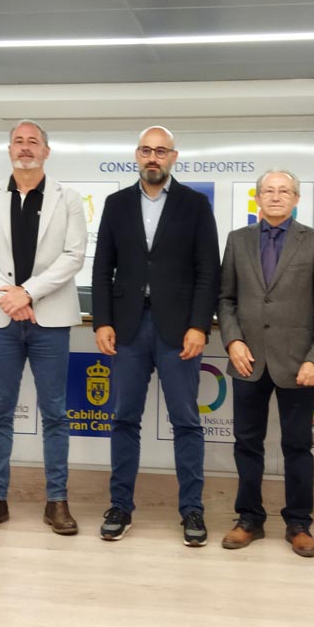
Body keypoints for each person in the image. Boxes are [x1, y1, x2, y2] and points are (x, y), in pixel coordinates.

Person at [92, 125, 220, 547]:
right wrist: (102, 321)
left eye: (161, 151)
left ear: (173, 157)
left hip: (178, 330)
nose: (153, 158)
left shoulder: (195, 204)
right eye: (146, 151)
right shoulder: (116, 204)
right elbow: (102, 267)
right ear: (137, 155)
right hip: (127, 328)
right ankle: (120, 507)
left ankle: (192, 510)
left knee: (186, 421)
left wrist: (199, 325)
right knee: (124, 420)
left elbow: (208, 270)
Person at [0, 120, 87, 535]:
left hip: (49, 319)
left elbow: (73, 256)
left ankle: (57, 501)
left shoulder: (68, 198)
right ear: (9, 150)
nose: (24, 147)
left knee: (55, 412)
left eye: (32, 141)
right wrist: (10, 295)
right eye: (18, 141)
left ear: (46, 151)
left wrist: (28, 293)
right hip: (1, 317)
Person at [216, 169, 314, 558]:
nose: (275, 196)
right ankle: (248, 519)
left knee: (297, 447)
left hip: (298, 364)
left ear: (296, 198)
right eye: (268, 191)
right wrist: (233, 340)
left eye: (284, 191)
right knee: (247, 444)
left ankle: (299, 523)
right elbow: (225, 299)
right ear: (257, 198)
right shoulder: (237, 240)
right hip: (247, 360)